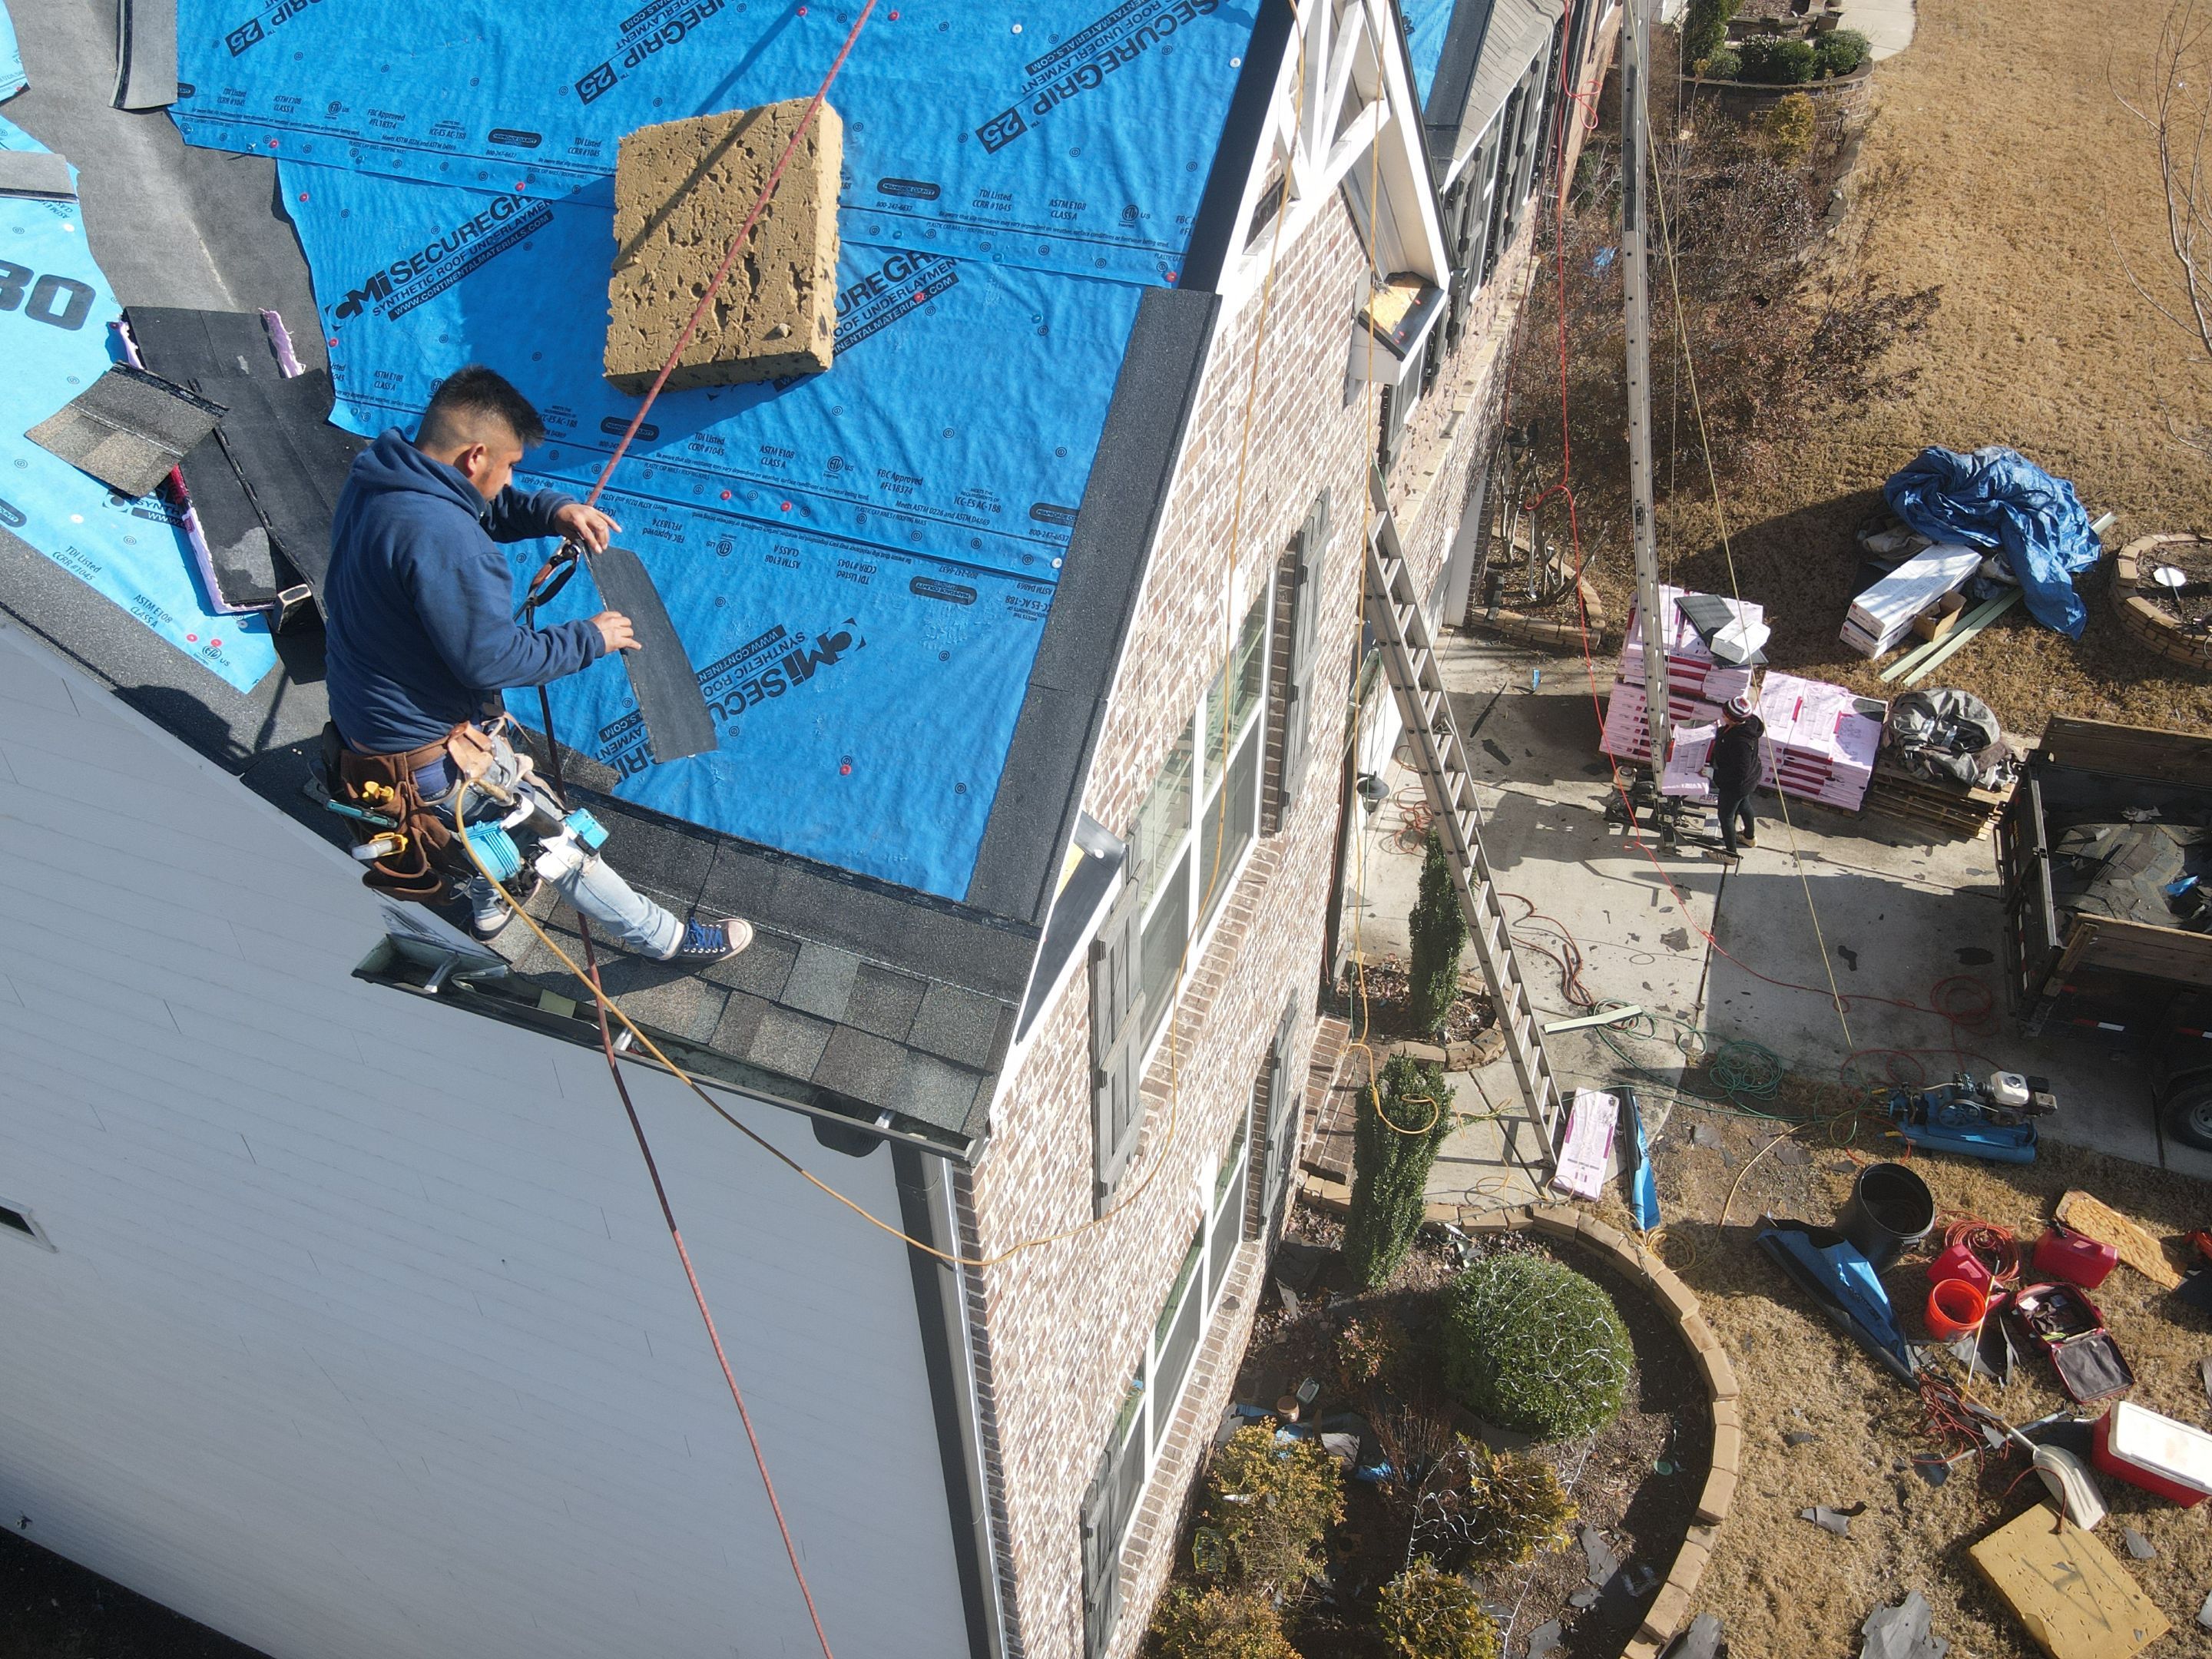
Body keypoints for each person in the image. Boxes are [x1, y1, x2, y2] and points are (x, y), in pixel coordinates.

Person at [320, 364, 750, 962]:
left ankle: (489, 896)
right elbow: (492, 661)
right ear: (475, 456)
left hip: (368, 735)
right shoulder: (449, 544)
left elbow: (478, 504)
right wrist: (590, 638)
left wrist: (551, 511)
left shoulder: (383, 474)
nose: (510, 479)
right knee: (558, 842)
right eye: (510, 466)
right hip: (432, 759)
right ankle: (668, 941)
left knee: (482, 835)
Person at [1709, 693, 1765, 859]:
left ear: (1734, 720)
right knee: (1744, 805)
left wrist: (1714, 774)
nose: (1723, 716)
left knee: (1726, 816)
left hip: (1736, 785)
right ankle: (1749, 837)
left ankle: (1730, 854)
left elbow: (1739, 771)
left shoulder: (1741, 743)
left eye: (1725, 715)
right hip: (1749, 780)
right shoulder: (1749, 724)